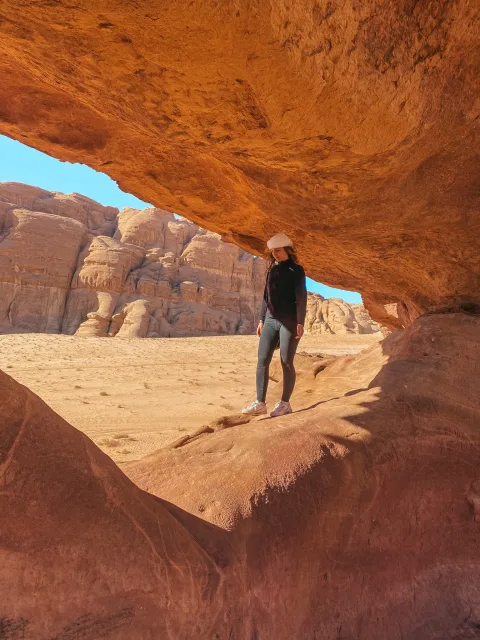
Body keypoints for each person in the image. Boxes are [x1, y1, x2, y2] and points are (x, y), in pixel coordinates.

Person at [242, 233, 307, 417]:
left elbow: (301, 296)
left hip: (290, 321)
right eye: (272, 252)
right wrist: (262, 319)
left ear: (287, 249)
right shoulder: (272, 271)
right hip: (270, 320)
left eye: (278, 250)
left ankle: (285, 403)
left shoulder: (297, 270)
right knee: (262, 360)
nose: (275, 254)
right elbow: (265, 298)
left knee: (286, 361)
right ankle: (260, 403)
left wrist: (300, 321)